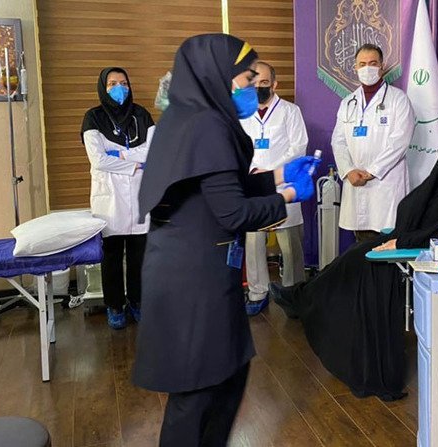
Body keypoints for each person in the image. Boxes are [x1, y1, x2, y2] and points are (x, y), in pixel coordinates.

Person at [132, 34, 318, 447]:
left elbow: (222, 187)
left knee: (229, 373)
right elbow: (233, 212)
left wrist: (279, 175)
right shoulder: (206, 126)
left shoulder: (191, 119)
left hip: (198, 268)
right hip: (192, 278)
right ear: (217, 75)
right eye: (247, 78)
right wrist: (288, 196)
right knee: (198, 390)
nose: (253, 87)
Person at [270, 121, 438, 401]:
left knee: (354, 265)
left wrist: (403, 242)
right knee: (348, 260)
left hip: (416, 250)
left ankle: (301, 299)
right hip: (406, 238)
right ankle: (301, 297)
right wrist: (402, 236)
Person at [81, 67, 155, 330]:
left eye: (123, 82)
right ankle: (114, 305)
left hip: (139, 194)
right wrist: (135, 162)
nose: (119, 88)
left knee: (139, 255)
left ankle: (137, 301)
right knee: (111, 256)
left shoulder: (141, 115)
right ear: (103, 87)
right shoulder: (93, 117)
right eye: (112, 83)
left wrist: (119, 155)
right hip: (109, 198)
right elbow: (98, 160)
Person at [240, 61, 309, 316]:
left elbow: (298, 148)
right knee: (253, 242)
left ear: (274, 84)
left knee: (290, 246)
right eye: (254, 83)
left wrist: (271, 173)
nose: (259, 87)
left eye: (264, 82)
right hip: (254, 185)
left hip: (284, 185)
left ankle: (293, 295)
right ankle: (257, 292)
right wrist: (251, 173)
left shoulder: (290, 111)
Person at [331, 44, 416, 244]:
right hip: (355, 182)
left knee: (387, 241)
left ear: (382, 66)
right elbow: (338, 140)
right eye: (362, 64)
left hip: (385, 185)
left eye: (372, 63)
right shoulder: (348, 102)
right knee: (361, 243)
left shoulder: (398, 99)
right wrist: (348, 171)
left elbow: (400, 141)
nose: (367, 68)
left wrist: (371, 171)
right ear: (355, 67)